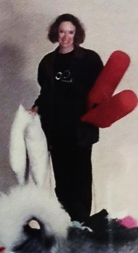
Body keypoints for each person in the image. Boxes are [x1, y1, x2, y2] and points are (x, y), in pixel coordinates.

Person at [32, 13, 103, 223]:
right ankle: (67, 223)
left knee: (81, 178)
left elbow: (101, 91)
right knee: (62, 180)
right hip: (56, 130)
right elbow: (45, 93)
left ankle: (82, 223)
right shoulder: (47, 62)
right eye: (62, 32)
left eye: (70, 32)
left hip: (81, 130)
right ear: (56, 33)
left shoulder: (90, 59)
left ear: (76, 34)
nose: (66, 37)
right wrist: (36, 107)